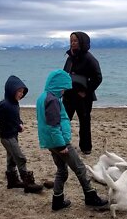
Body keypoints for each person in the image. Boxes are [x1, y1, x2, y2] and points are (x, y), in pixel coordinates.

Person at [36, 69, 108, 211]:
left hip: (52, 142)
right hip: (59, 141)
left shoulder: (43, 97)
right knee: (80, 168)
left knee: (62, 170)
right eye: (63, 89)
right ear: (57, 85)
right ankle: (90, 196)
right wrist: (62, 144)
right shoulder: (52, 100)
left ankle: (57, 200)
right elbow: (53, 126)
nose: (64, 92)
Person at [0, 76, 44, 193]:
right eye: (19, 91)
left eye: (22, 92)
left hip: (13, 135)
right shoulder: (5, 104)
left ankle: (12, 181)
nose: (21, 94)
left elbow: (15, 118)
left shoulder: (15, 103)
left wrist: (20, 124)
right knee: (21, 158)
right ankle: (28, 183)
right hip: (7, 137)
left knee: (11, 159)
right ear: (11, 90)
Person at [62, 32, 102, 155]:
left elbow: (98, 77)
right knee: (64, 120)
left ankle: (86, 147)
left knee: (84, 122)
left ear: (82, 42)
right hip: (68, 95)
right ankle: (61, 144)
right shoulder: (69, 57)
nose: (72, 43)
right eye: (71, 40)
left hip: (83, 97)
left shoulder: (89, 58)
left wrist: (86, 91)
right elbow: (64, 74)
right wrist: (61, 88)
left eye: (75, 41)